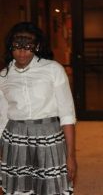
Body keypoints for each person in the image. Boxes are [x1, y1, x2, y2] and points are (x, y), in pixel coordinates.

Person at [0, 22, 76, 194]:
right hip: (15, 139)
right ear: (10, 46)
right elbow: (2, 118)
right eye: (17, 46)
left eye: (28, 47)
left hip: (49, 136)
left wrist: (71, 156)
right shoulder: (3, 77)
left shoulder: (52, 69)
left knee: (52, 189)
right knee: (19, 190)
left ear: (37, 46)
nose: (22, 52)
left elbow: (67, 114)